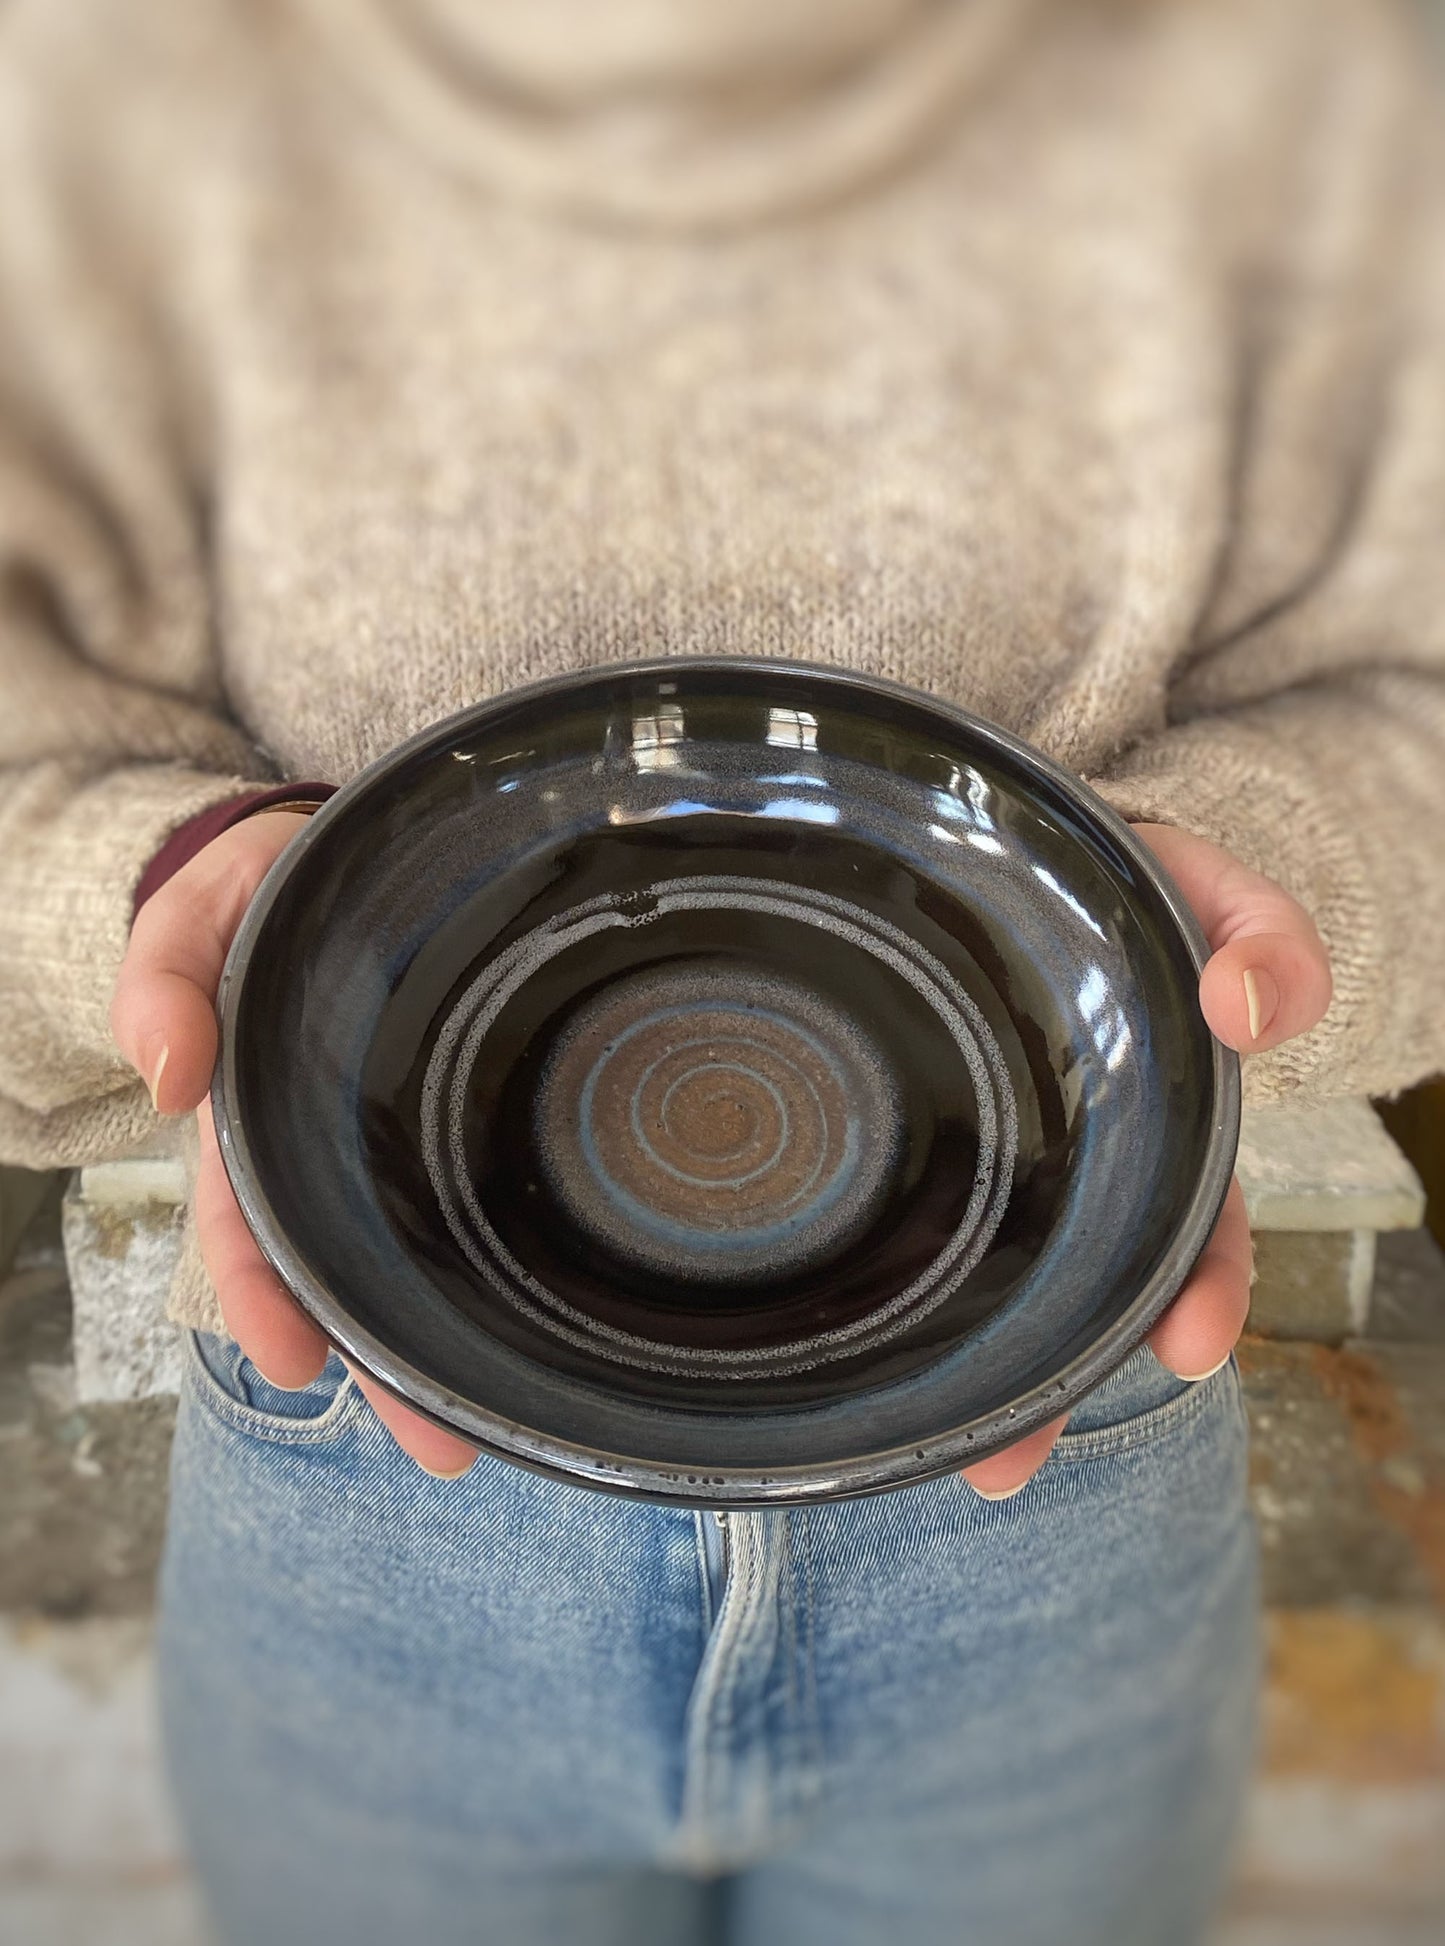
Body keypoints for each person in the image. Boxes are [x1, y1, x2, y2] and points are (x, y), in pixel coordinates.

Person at [2, 1, 1443, 1940]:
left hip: (1047, 1458)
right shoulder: (113, 99)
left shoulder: (1290, 99)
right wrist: (159, 880)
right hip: (372, 1450)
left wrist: (1259, 882)